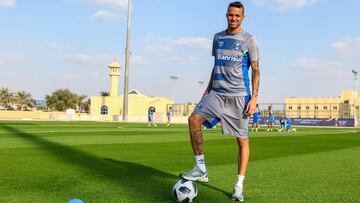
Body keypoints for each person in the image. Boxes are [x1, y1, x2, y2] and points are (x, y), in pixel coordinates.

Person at [179, 1, 260, 201]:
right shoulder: (218, 37)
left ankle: (238, 185)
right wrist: (207, 90)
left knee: (242, 141)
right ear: (226, 15)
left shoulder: (250, 40)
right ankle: (200, 168)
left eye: (237, 16)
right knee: (193, 120)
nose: (233, 18)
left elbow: (256, 70)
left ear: (243, 17)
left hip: (239, 96)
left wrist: (255, 98)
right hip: (216, 92)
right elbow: (216, 66)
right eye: (230, 15)